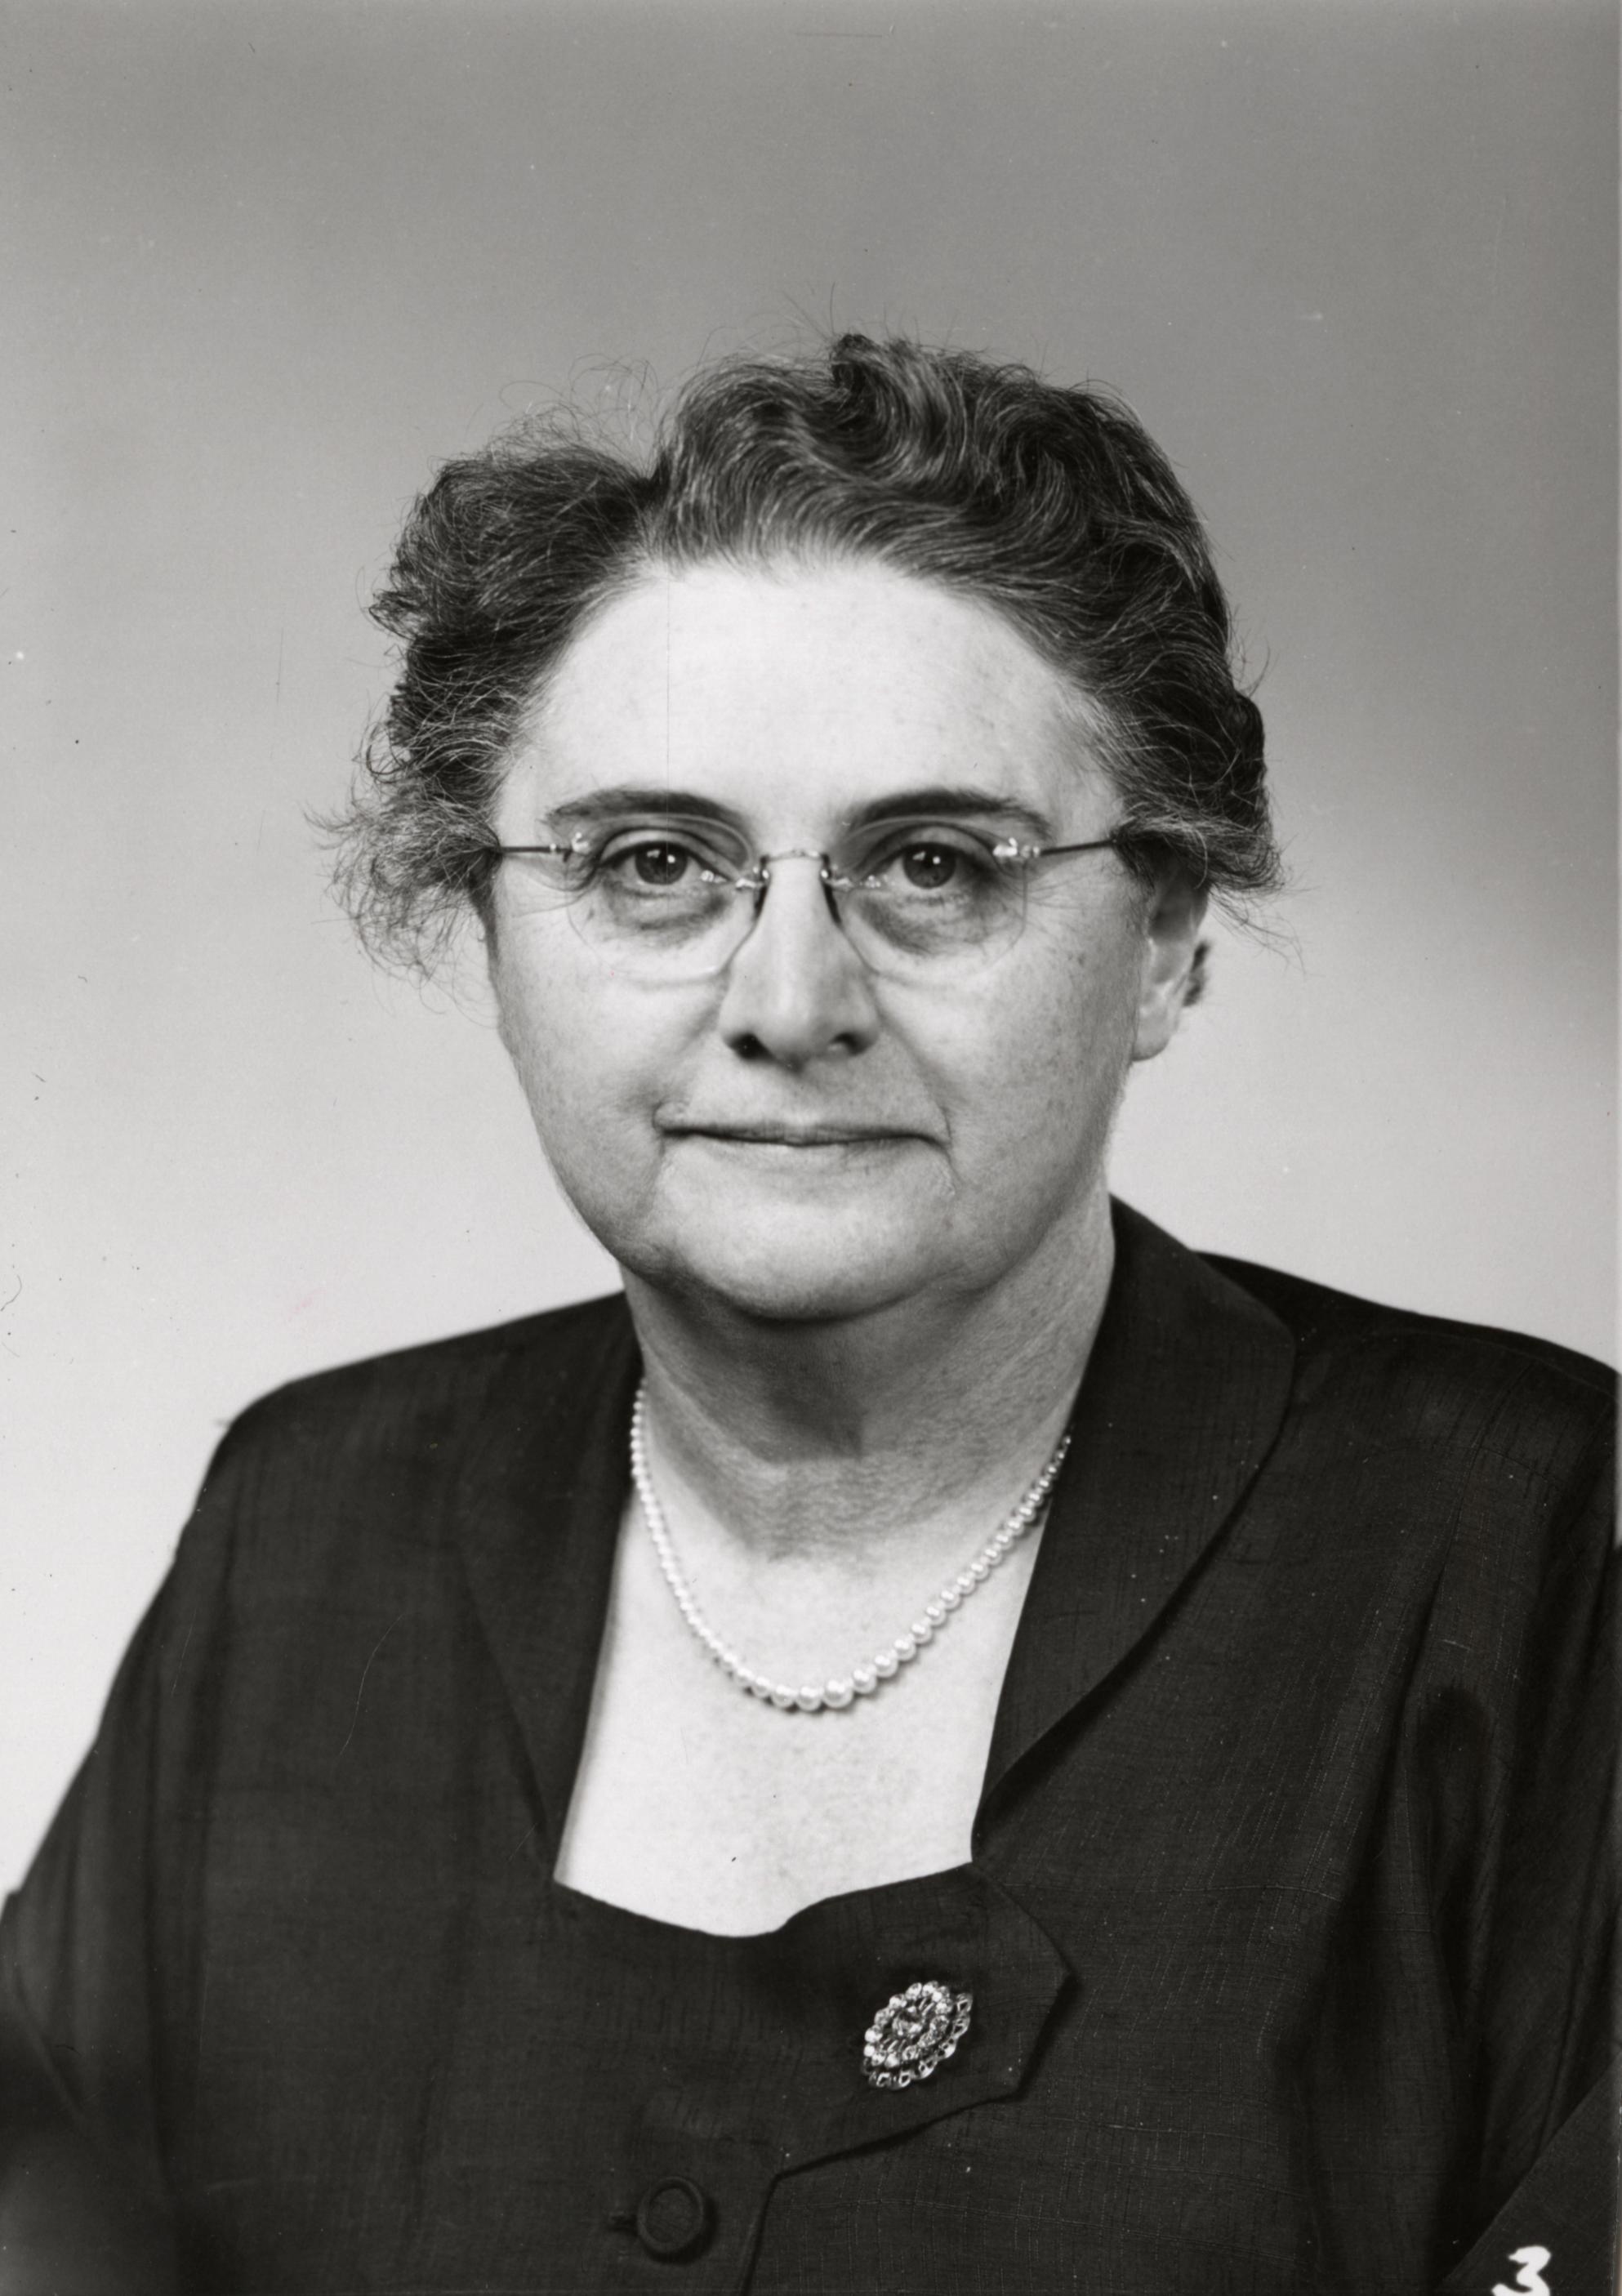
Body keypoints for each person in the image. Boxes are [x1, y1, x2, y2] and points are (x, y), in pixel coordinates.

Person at [0, 337, 1613, 2295]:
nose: (787, 999)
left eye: (934, 862)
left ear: (1170, 936)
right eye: (650, 863)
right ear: (490, 929)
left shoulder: (1527, 1548)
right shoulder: (312, 1521)